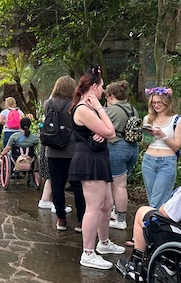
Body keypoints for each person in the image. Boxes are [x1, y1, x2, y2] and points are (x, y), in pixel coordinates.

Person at [118, 162, 181, 279]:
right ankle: (169, 264)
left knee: (142, 212)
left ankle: (136, 266)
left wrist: (164, 207)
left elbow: (169, 214)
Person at [68, 66, 122, 270]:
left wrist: (102, 125)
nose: (103, 90)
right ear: (94, 87)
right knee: (93, 207)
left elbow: (107, 131)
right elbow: (111, 132)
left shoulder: (87, 107)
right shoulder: (84, 108)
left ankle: (104, 242)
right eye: (101, 87)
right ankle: (88, 253)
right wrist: (100, 110)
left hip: (97, 157)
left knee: (107, 204)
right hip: (89, 159)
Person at [45, 76, 85, 232]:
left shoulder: (48, 103)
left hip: (52, 151)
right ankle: (81, 220)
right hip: (72, 151)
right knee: (77, 187)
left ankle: (61, 219)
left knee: (57, 186)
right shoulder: (74, 105)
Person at [141, 87, 181, 209]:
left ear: (167, 102)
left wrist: (162, 135)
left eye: (159, 102)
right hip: (149, 160)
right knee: (152, 197)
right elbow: (146, 144)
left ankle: (149, 219)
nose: (156, 105)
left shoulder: (177, 120)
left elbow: (177, 146)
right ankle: (154, 218)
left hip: (166, 161)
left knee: (157, 199)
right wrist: (148, 135)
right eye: (153, 103)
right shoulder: (148, 118)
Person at [105, 80, 140, 231]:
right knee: (119, 184)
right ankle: (116, 211)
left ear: (111, 96)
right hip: (133, 148)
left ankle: (121, 219)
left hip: (117, 148)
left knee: (119, 185)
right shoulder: (132, 109)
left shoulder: (111, 111)